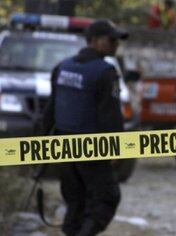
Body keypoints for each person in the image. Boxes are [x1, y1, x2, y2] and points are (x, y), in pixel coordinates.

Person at [42, 19, 128, 236]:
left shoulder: (62, 67)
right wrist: (116, 149)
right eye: (112, 40)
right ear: (96, 41)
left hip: (63, 145)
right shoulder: (105, 72)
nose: (116, 44)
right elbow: (110, 115)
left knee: (76, 201)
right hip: (91, 146)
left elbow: (50, 110)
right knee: (106, 198)